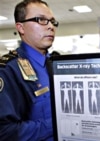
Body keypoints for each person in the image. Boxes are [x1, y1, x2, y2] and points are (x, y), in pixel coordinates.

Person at [0, 0, 59, 140]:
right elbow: (5, 131)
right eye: (41, 20)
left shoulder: (57, 64)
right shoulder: (9, 70)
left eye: (52, 21)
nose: (50, 26)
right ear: (21, 27)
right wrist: (60, 124)